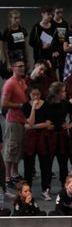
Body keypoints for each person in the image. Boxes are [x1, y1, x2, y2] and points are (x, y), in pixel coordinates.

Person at [2, 59, 28, 191]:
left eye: (23, 66)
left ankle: (15, 174)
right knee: (11, 149)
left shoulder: (22, 81)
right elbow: (3, 103)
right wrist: (20, 105)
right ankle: (7, 178)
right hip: (13, 121)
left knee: (18, 149)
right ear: (13, 68)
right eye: (19, 66)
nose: (23, 68)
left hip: (22, 120)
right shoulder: (10, 83)